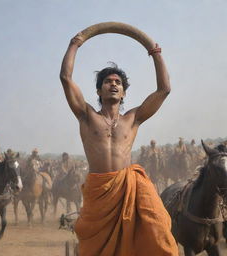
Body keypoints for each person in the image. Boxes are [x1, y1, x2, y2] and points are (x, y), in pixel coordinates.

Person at [60, 33, 178, 255]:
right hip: (99, 191)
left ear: (123, 93)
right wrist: (74, 44)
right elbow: (66, 78)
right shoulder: (86, 115)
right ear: (98, 90)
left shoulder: (133, 118)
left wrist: (156, 53)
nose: (113, 84)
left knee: (158, 223)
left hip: (128, 188)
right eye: (107, 82)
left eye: (118, 82)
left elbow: (164, 90)